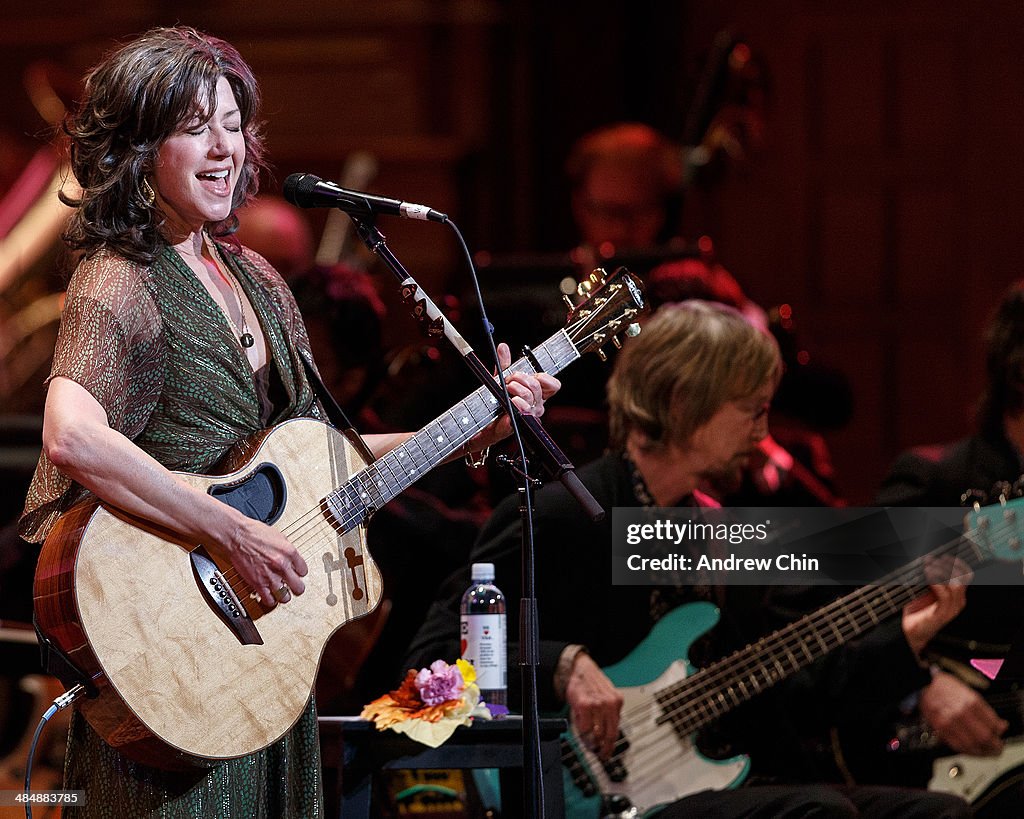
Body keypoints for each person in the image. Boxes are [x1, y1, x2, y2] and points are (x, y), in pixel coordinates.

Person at [18, 26, 558, 818]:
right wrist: (227, 530)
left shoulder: (260, 281)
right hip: (167, 644)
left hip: (261, 642)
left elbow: (322, 459)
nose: (222, 148)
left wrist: (471, 429)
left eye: (233, 125)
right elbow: (71, 436)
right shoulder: (118, 279)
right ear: (138, 149)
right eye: (193, 126)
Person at [406, 301, 971, 818]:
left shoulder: (719, 532)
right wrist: (561, 663)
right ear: (682, 402)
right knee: (817, 815)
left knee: (939, 814)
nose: (764, 432)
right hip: (573, 795)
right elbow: (432, 660)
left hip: (698, 780)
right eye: (752, 411)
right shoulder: (563, 514)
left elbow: (786, 689)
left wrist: (908, 636)